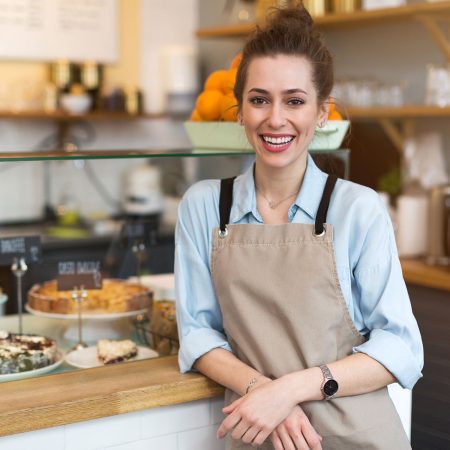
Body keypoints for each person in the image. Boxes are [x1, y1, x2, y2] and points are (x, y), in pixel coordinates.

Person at [175, 5, 423, 450]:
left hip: (357, 434)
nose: (275, 119)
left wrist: (289, 390)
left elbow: (401, 348)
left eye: (294, 100)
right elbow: (197, 333)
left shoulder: (357, 209)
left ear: (322, 112)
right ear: (239, 112)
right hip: (259, 433)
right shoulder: (204, 206)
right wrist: (262, 393)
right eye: (258, 99)